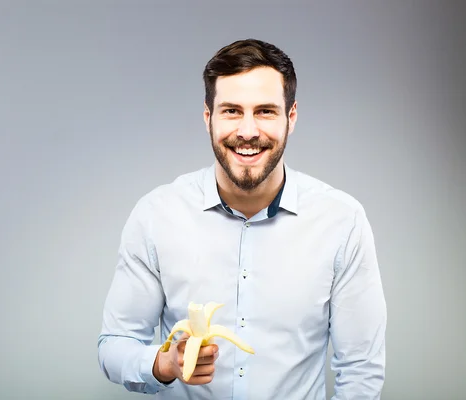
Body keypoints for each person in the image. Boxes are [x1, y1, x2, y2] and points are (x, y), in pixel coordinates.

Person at [97, 38, 387, 399]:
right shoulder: (156, 215)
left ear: (290, 117)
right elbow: (115, 345)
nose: (248, 131)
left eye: (265, 111)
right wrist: (164, 363)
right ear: (208, 117)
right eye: (231, 111)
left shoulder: (343, 222)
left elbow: (360, 369)